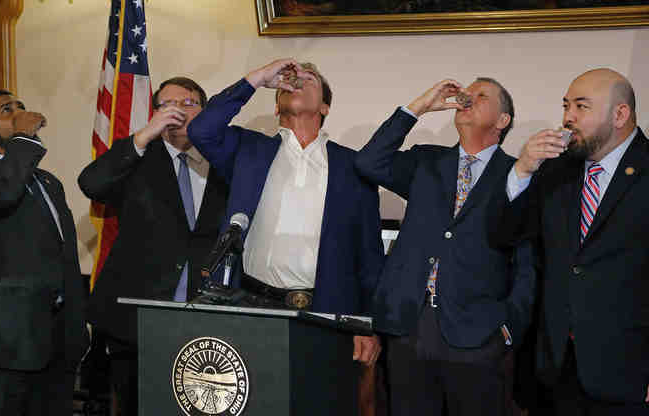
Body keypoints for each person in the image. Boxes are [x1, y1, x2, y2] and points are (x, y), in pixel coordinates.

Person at [354, 78, 536, 416]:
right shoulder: (427, 161)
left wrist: (510, 328)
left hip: (478, 334)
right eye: (468, 92)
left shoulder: (519, 174)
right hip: (409, 326)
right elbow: (368, 162)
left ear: (503, 120)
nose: (468, 98)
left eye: (481, 96)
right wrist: (419, 106)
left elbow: (528, 261)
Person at [187, 58, 385, 367]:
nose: (299, 81)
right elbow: (201, 129)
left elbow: (369, 255)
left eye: (311, 79)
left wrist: (366, 323)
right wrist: (257, 78)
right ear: (277, 106)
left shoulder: (354, 166)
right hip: (252, 306)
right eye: (291, 79)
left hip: (327, 312)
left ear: (325, 107)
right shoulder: (249, 151)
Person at [490, 68, 649, 415]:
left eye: (581, 107)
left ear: (620, 114)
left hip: (635, 374)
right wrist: (522, 170)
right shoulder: (556, 171)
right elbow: (503, 234)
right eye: (566, 106)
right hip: (558, 370)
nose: (567, 117)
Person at [79, 77, 229, 415]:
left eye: (188, 103)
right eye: (166, 105)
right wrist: (143, 136)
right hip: (137, 317)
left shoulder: (225, 159)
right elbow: (91, 183)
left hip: (207, 318)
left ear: (204, 111)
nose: (177, 111)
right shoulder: (138, 157)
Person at [0, 90, 88, 415]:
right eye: (6, 110)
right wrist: (23, 136)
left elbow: (64, 255)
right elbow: (1, 195)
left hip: (56, 340)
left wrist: (77, 326)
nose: (19, 113)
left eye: (21, 107)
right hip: (2, 343)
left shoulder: (48, 182)